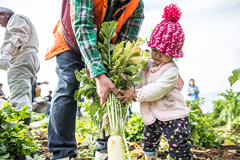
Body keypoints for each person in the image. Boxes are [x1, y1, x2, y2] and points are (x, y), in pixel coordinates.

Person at [45, 0, 144, 159]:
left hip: (104, 49)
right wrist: (97, 72)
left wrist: (119, 74)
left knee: (111, 91)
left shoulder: (136, 5)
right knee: (68, 86)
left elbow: (125, 44)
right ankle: (63, 153)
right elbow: (83, 26)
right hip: (71, 42)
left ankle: (106, 149)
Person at [118, 4, 192, 160]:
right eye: (155, 50)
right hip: (151, 116)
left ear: (173, 54)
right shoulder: (147, 65)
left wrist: (136, 94)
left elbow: (158, 89)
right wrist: (128, 88)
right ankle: (150, 157)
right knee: (148, 143)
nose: (158, 55)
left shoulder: (171, 70)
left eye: (164, 53)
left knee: (178, 145)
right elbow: (139, 81)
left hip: (173, 116)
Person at [0, 7, 40, 125]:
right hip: (28, 58)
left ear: (2, 14)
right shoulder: (18, 20)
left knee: (18, 95)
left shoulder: (15, 18)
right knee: (24, 94)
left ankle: (18, 130)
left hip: (21, 58)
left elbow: (19, 34)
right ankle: (23, 129)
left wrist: (7, 54)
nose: (1, 25)